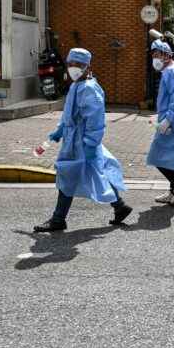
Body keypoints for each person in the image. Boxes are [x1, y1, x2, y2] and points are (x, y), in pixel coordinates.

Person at [33, 48, 132, 232]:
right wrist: (60, 130)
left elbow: (95, 122)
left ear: (87, 66)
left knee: (67, 176)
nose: (73, 68)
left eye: (77, 65)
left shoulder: (89, 90)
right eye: (70, 64)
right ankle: (120, 206)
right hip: (75, 141)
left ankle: (58, 219)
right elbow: (69, 115)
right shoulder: (76, 86)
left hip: (82, 143)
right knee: (98, 171)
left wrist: (89, 145)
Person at [147, 39, 174, 205]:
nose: (155, 58)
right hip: (170, 120)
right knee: (173, 157)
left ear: (166, 55)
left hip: (172, 121)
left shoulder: (172, 72)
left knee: (157, 156)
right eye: (153, 55)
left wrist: (168, 120)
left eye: (157, 54)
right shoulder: (170, 71)